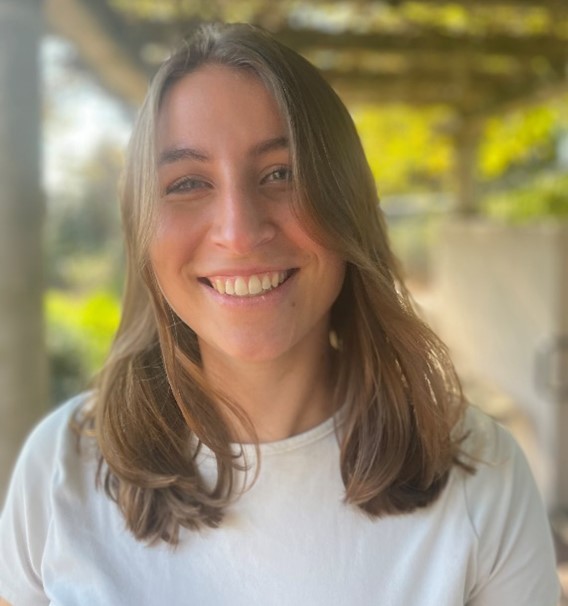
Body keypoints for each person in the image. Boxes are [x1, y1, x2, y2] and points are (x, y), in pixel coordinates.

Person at [0, 22, 560, 606]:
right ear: (141, 230)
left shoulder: (482, 476)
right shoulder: (59, 468)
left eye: (281, 174)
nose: (240, 233)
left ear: (347, 204)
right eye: (188, 182)